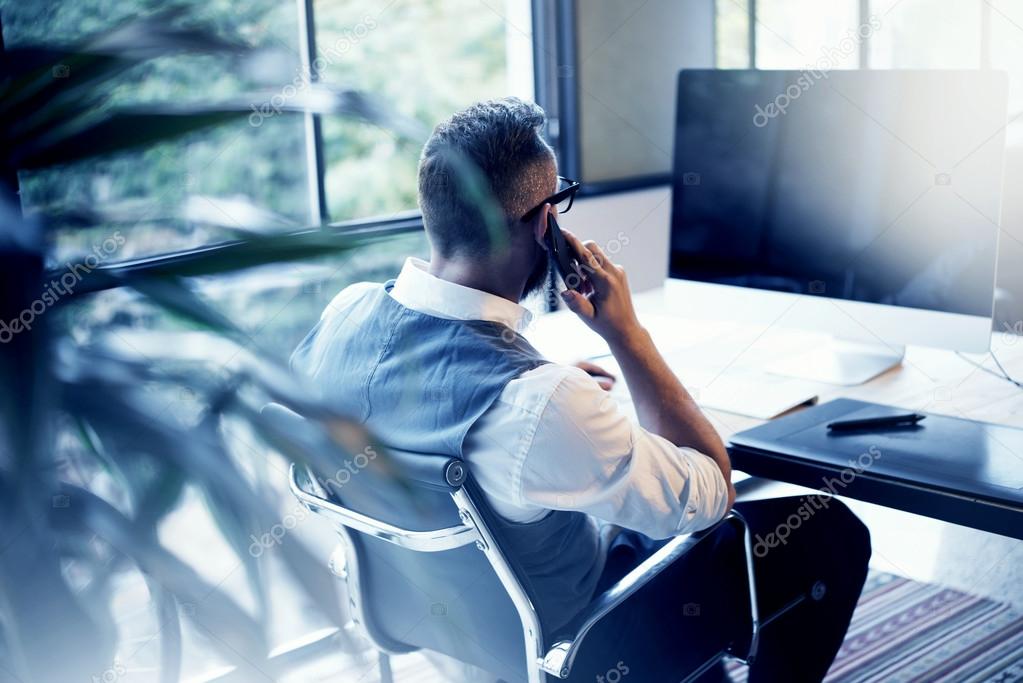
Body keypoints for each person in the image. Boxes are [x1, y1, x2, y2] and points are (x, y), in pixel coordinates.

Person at [291, 97, 871, 682]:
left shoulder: (346, 313)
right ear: (546, 224)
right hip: (581, 643)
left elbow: (398, 399)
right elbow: (709, 491)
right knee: (823, 533)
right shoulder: (537, 404)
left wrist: (540, 384)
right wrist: (627, 335)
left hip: (435, 619)